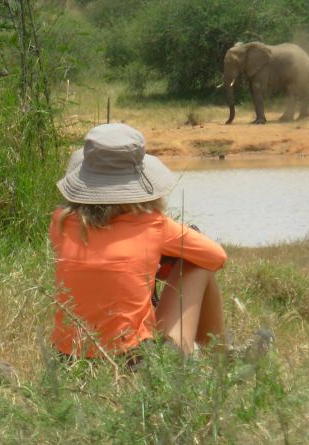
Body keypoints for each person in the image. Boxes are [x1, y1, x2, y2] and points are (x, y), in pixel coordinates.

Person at [49, 123, 227, 361]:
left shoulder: (60, 222)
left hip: (68, 358)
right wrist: (165, 265)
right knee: (196, 266)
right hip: (133, 361)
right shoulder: (153, 224)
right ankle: (223, 356)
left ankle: (222, 356)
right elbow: (216, 257)